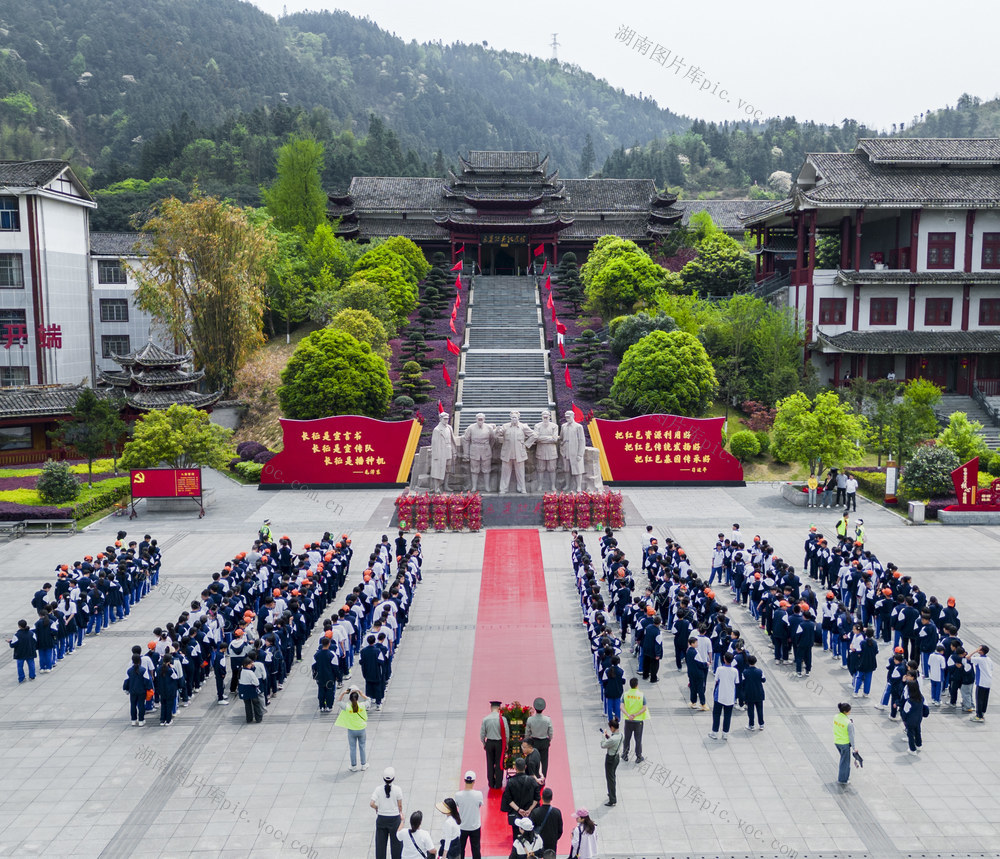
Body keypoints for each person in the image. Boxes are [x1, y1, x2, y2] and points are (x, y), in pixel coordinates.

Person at [496, 411, 535, 494]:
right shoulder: (505, 426)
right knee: (505, 472)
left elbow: (534, 435)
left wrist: (526, 444)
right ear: (510, 418)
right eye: (512, 417)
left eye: (515, 417)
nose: (514, 419)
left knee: (520, 472)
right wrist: (498, 430)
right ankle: (503, 488)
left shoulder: (523, 426)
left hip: (519, 453)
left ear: (518, 418)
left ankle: (522, 488)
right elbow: (498, 434)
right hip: (507, 453)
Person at [500, 758, 540, 839]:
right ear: (525, 767)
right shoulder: (532, 781)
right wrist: (529, 810)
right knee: (530, 835)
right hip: (529, 814)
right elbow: (537, 798)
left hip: (516, 814)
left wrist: (518, 810)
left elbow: (508, 799)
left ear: (515, 767)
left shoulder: (511, 782)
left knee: (516, 836)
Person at [372, 767, 404, 859]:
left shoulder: (378, 789)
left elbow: (371, 803)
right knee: (396, 844)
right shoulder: (398, 789)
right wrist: (401, 813)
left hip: (381, 818)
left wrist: (377, 808)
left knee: (380, 845)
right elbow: (400, 805)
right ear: (393, 778)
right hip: (394, 819)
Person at [336, 687, 369, 771]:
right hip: (361, 729)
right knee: (362, 747)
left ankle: (353, 766)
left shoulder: (347, 707)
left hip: (351, 730)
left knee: (352, 748)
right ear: (358, 698)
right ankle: (363, 764)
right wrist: (361, 693)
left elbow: (339, 702)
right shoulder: (362, 705)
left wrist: (343, 693)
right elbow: (369, 700)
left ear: (350, 699)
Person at [708, 652, 739, 740]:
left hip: (719, 695)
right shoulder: (735, 671)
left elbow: (716, 680)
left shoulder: (720, 669)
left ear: (724, 659)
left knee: (716, 714)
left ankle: (714, 732)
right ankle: (725, 733)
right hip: (730, 696)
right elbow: (736, 682)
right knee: (727, 715)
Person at [462, 413, 495, 493]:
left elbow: (492, 439)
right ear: (476, 419)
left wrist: (488, 446)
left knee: (486, 469)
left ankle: (487, 486)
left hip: (485, 450)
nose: (480, 421)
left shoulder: (489, 428)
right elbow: (466, 440)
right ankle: (474, 486)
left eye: (481, 419)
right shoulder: (471, 428)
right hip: (474, 450)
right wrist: (466, 453)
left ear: (484, 419)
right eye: (478, 419)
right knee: (474, 469)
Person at [454, 771, 483, 859]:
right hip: (475, 826)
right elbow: (479, 805)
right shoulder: (478, 794)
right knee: (476, 849)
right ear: (474, 781)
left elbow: (457, 806)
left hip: (462, 827)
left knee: (461, 849)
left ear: (464, 780)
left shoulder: (458, 795)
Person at [480, 700, 509, 789]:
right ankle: (499, 783)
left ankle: (491, 783)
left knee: (490, 763)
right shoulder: (503, 719)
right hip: (499, 743)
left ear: (491, 708)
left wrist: (485, 743)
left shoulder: (485, 719)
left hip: (489, 742)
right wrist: (506, 744)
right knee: (499, 762)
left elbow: (482, 734)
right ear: (499, 708)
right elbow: (507, 733)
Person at [531, 410, 560, 492]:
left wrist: (542, 438)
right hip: (541, 449)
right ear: (541, 416)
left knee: (552, 468)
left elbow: (555, 439)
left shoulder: (554, 426)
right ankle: (540, 485)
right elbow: (537, 438)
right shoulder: (537, 426)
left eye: (547, 416)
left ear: (550, 416)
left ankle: (553, 485)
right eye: (544, 416)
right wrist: (548, 438)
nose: (545, 417)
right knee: (540, 468)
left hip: (551, 450)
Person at [524, 697, 553, 778]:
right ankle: (543, 778)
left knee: (533, 759)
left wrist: (528, 741)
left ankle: (534, 777)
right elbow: (550, 732)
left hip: (534, 742)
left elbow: (527, 733)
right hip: (544, 742)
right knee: (544, 761)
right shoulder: (547, 719)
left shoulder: (530, 719)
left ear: (535, 708)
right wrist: (549, 740)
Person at [529, 787, 563, 854]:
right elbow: (560, 830)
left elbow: (531, 828)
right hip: (552, 843)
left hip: (538, 843)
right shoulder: (557, 812)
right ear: (551, 798)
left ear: (542, 797)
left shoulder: (535, 812)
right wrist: (554, 838)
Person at [430, 412, 458, 492]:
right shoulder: (437, 429)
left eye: (447, 419)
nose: (446, 420)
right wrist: (436, 456)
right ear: (441, 419)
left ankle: (446, 485)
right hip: (440, 452)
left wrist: (454, 452)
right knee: (438, 470)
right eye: (445, 419)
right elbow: (434, 444)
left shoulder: (449, 428)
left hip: (449, 450)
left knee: (448, 469)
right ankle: (436, 487)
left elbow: (452, 440)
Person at [621, 677, 648, 762]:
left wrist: (628, 715)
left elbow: (621, 706)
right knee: (638, 739)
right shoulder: (641, 695)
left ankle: (625, 754)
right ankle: (639, 756)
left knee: (627, 738)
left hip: (628, 721)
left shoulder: (625, 694)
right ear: (637, 685)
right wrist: (635, 715)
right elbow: (644, 708)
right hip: (638, 721)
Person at [560, 411, 587, 492]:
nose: (567, 418)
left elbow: (582, 441)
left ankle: (578, 486)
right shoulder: (563, 426)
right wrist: (562, 448)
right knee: (566, 469)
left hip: (575, 452)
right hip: (566, 451)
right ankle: (567, 485)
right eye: (566, 417)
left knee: (578, 470)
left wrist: (580, 454)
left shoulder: (578, 427)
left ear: (573, 416)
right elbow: (561, 438)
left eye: (569, 416)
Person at [123, 654, 152, 727]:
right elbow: (147, 681)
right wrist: (149, 688)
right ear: (140, 661)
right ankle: (141, 720)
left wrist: (125, 689)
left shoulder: (129, 671)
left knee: (133, 705)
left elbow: (126, 681)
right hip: (142, 691)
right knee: (141, 705)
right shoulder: (143, 670)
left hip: (132, 691)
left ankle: (133, 720)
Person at [833, 702, 858, 785]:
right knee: (845, 762)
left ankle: (843, 777)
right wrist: (854, 748)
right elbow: (851, 736)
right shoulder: (848, 723)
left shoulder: (836, 717)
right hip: (844, 744)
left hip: (837, 741)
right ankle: (843, 779)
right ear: (846, 712)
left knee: (843, 759)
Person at [600, 717, 622, 807]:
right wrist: (608, 737)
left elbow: (603, 745)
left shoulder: (613, 739)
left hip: (610, 759)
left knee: (610, 779)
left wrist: (603, 737)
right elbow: (612, 741)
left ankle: (612, 798)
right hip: (616, 757)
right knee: (612, 776)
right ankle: (611, 793)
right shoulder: (621, 735)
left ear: (612, 727)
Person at [901, 679, 925, 755]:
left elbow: (905, 711)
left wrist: (904, 719)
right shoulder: (921, 698)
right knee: (918, 731)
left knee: (910, 734)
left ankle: (912, 749)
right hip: (919, 719)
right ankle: (919, 745)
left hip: (910, 720)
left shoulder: (910, 701)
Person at [8, 619, 37, 683]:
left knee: (20, 666)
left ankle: (21, 678)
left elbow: (13, 645)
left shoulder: (17, 635)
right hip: (30, 651)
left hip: (20, 653)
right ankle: (32, 676)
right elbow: (35, 641)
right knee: (31, 664)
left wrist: (10, 642)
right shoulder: (31, 633)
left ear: (19, 626)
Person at [742, 654, 766, 731]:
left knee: (750, 710)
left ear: (748, 662)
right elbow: (764, 680)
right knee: (760, 709)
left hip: (749, 693)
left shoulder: (745, 672)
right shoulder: (759, 671)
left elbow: (742, 682)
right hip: (759, 693)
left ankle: (751, 725)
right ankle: (761, 724)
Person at [970, 644, 993, 722]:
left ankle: (979, 716)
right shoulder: (989, 659)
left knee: (979, 699)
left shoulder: (979, 659)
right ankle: (982, 712)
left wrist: (975, 651)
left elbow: (968, 657)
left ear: (981, 651)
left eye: (979, 649)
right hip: (988, 681)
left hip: (981, 682)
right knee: (985, 699)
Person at [238, 657, 264, 724]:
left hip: (243, 688)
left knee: (247, 704)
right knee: (256, 703)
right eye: (250, 664)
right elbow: (256, 682)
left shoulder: (241, 670)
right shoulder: (250, 672)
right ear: (247, 664)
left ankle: (249, 719)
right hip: (251, 688)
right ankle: (258, 718)